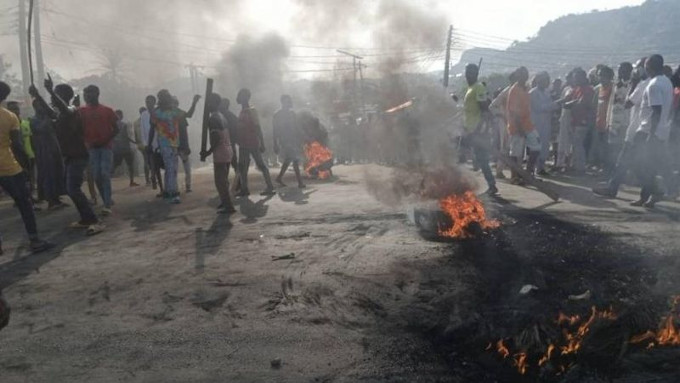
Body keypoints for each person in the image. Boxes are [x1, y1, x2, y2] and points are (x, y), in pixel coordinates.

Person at [29, 76, 104, 234]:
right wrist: (38, 96)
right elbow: (52, 111)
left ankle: (94, 220)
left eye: (55, 95)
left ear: (63, 97)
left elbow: (63, 109)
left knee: (73, 189)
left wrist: (49, 91)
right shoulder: (60, 113)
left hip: (78, 155)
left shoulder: (71, 111)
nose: (52, 98)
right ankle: (86, 218)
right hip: (70, 156)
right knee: (72, 189)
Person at [0, 81, 51, 252]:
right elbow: (17, 145)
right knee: (24, 203)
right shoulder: (10, 117)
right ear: (5, 97)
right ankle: (34, 240)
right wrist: (27, 166)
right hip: (9, 167)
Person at [593, 58, 651, 198]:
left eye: (623, 70)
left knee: (623, 158)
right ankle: (613, 183)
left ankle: (652, 188)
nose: (620, 73)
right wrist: (608, 122)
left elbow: (628, 106)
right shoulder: (615, 86)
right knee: (615, 155)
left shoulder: (634, 85)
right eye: (619, 70)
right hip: (613, 124)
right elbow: (611, 107)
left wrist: (623, 125)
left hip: (626, 126)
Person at [632, 54, 676, 208]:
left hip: (648, 130)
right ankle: (648, 195)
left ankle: (656, 191)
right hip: (660, 130)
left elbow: (656, 111)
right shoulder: (667, 82)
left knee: (636, 163)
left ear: (649, 67)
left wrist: (651, 134)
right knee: (651, 165)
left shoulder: (654, 85)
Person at [80, 85, 118, 215]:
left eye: (89, 93)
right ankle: (106, 199)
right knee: (96, 176)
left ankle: (107, 204)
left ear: (97, 94)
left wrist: (106, 139)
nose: (87, 96)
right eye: (85, 94)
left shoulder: (107, 111)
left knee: (104, 174)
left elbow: (116, 128)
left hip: (106, 147)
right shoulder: (82, 111)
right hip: (92, 149)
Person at [461, 63, 497, 195]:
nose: (467, 75)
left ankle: (492, 185)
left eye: (470, 72)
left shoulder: (479, 87)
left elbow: (484, 110)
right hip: (469, 129)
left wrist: (479, 130)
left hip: (477, 131)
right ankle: (488, 185)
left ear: (475, 73)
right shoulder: (470, 88)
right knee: (474, 158)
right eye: (466, 72)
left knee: (481, 159)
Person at [147, 89, 187, 204]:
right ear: (161, 99)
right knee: (170, 168)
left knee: (173, 168)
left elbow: (187, 114)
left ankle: (168, 191)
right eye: (164, 97)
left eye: (167, 97)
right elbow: (151, 129)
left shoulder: (174, 111)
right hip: (164, 144)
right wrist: (149, 144)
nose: (166, 99)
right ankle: (172, 193)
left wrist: (194, 103)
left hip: (174, 143)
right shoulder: (156, 113)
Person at [235, 88, 275, 197]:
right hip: (244, 143)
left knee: (260, 164)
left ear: (246, 97)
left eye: (241, 96)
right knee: (243, 166)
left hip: (252, 142)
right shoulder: (243, 111)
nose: (238, 98)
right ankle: (244, 189)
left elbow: (258, 127)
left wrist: (262, 143)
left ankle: (270, 186)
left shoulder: (251, 110)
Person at [200, 92, 236, 215]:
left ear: (214, 103)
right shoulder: (221, 116)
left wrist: (207, 153)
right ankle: (225, 202)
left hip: (221, 151)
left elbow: (216, 138)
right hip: (227, 149)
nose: (207, 105)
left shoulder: (213, 118)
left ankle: (229, 206)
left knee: (220, 181)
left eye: (208, 103)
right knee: (224, 180)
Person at [30, 97, 67, 209]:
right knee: (48, 174)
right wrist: (47, 118)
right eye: (40, 105)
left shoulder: (50, 117)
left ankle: (56, 197)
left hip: (54, 147)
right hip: (44, 150)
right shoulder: (34, 120)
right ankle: (51, 200)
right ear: (35, 107)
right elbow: (41, 129)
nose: (42, 107)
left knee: (57, 172)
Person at [507, 66, 541, 181]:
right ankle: (514, 176)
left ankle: (528, 173)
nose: (524, 76)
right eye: (521, 74)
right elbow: (514, 112)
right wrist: (520, 128)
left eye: (525, 74)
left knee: (536, 148)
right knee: (515, 153)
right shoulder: (514, 90)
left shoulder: (526, 89)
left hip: (528, 124)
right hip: (516, 126)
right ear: (517, 76)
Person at [563, 68, 595, 175]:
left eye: (577, 78)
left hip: (583, 121)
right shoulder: (577, 89)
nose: (574, 80)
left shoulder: (588, 90)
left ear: (583, 78)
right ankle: (575, 166)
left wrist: (569, 104)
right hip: (575, 120)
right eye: (574, 78)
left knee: (579, 145)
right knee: (575, 145)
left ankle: (580, 168)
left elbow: (582, 103)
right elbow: (570, 99)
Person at [529, 71, 560, 176]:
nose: (547, 82)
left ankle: (541, 168)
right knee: (536, 147)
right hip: (536, 124)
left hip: (546, 123)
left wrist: (557, 104)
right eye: (545, 80)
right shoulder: (533, 93)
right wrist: (555, 104)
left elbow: (551, 106)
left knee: (545, 146)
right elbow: (538, 108)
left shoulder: (547, 92)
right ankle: (532, 170)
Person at [273, 95, 306, 189]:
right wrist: (275, 143)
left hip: (293, 140)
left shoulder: (292, 114)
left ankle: (279, 178)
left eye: (290, 101)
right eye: (287, 101)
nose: (289, 103)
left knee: (289, 159)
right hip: (284, 140)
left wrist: (302, 137)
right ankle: (300, 182)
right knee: (294, 159)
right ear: (282, 102)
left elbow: (296, 127)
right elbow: (275, 130)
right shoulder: (277, 115)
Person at [6, 101, 36, 199]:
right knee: (21, 179)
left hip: (29, 155)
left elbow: (31, 139)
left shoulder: (26, 123)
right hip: (15, 157)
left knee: (30, 177)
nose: (15, 111)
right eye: (12, 109)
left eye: (16, 108)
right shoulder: (7, 126)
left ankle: (30, 197)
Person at [173, 95, 200, 193]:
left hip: (176, 145)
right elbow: (189, 115)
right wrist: (194, 102)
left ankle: (177, 187)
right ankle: (186, 186)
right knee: (185, 167)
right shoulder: (179, 114)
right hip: (180, 145)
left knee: (176, 168)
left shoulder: (172, 115)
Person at [591, 66, 616, 172]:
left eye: (603, 75)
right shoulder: (598, 88)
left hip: (610, 123)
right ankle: (602, 167)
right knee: (601, 147)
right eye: (599, 75)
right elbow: (594, 104)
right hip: (599, 122)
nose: (601, 78)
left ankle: (608, 169)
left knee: (609, 147)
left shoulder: (614, 88)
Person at [113, 110, 139, 187]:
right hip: (124, 148)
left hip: (117, 148)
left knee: (115, 165)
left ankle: (106, 180)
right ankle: (131, 181)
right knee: (130, 165)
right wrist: (134, 142)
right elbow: (126, 136)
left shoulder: (112, 125)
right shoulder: (124, 125)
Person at [219, 97, 240, 190]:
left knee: (226, 164)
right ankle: (238, 182)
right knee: (232, 163)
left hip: (226, 143)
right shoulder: (231, 116)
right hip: (230, 143)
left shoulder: (221, 116)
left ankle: (231, 183)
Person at [133, 107, 151, 186]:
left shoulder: (136, 122)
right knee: (150, 161)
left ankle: (148, 179)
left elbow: (135, 136)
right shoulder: (149, 120)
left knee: (146, 160)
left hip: (140, 144)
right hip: (148, 144)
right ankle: (151, 178)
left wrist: (137, 143)